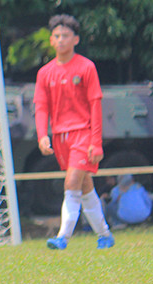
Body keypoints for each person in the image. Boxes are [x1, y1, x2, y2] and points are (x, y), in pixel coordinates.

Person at [35, 14, 115, 250]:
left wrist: (96, 141)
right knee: (85, 185)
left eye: (66, 35)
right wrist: (42, 135)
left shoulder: (86, 67)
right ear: (51, 40)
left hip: (83, 134)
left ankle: (63, 237)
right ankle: (105, 235)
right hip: (61, 138)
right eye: (57, 36)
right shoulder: (45, 73)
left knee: (71, 182)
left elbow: (95, 104)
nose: (61, 40)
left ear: (76, 39)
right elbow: (41, 107)